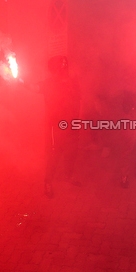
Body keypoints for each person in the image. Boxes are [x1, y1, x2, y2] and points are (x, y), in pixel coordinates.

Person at [40, 55, 80, 198]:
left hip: (72, 124)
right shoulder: (49, 83)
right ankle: (48, 182)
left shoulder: (72, 82)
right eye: (61, 67)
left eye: (65, 66)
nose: (64, 69)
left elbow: (77, 100)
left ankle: (68, 176)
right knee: (54, 154)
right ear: (55, 69)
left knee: (71, 152)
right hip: (56, 125)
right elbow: (38, 89)